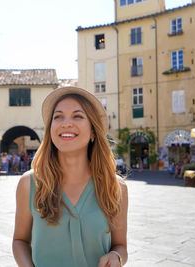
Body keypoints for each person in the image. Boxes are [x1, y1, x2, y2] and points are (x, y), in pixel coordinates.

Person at [12, 87, 128, 267]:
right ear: (51, 129)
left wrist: (116, 256)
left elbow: (120, 246)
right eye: (58, 116)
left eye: (77, 116)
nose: (66, 123)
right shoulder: (29, 184)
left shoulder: (116, 187)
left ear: (93, 132)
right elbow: (20, 241)